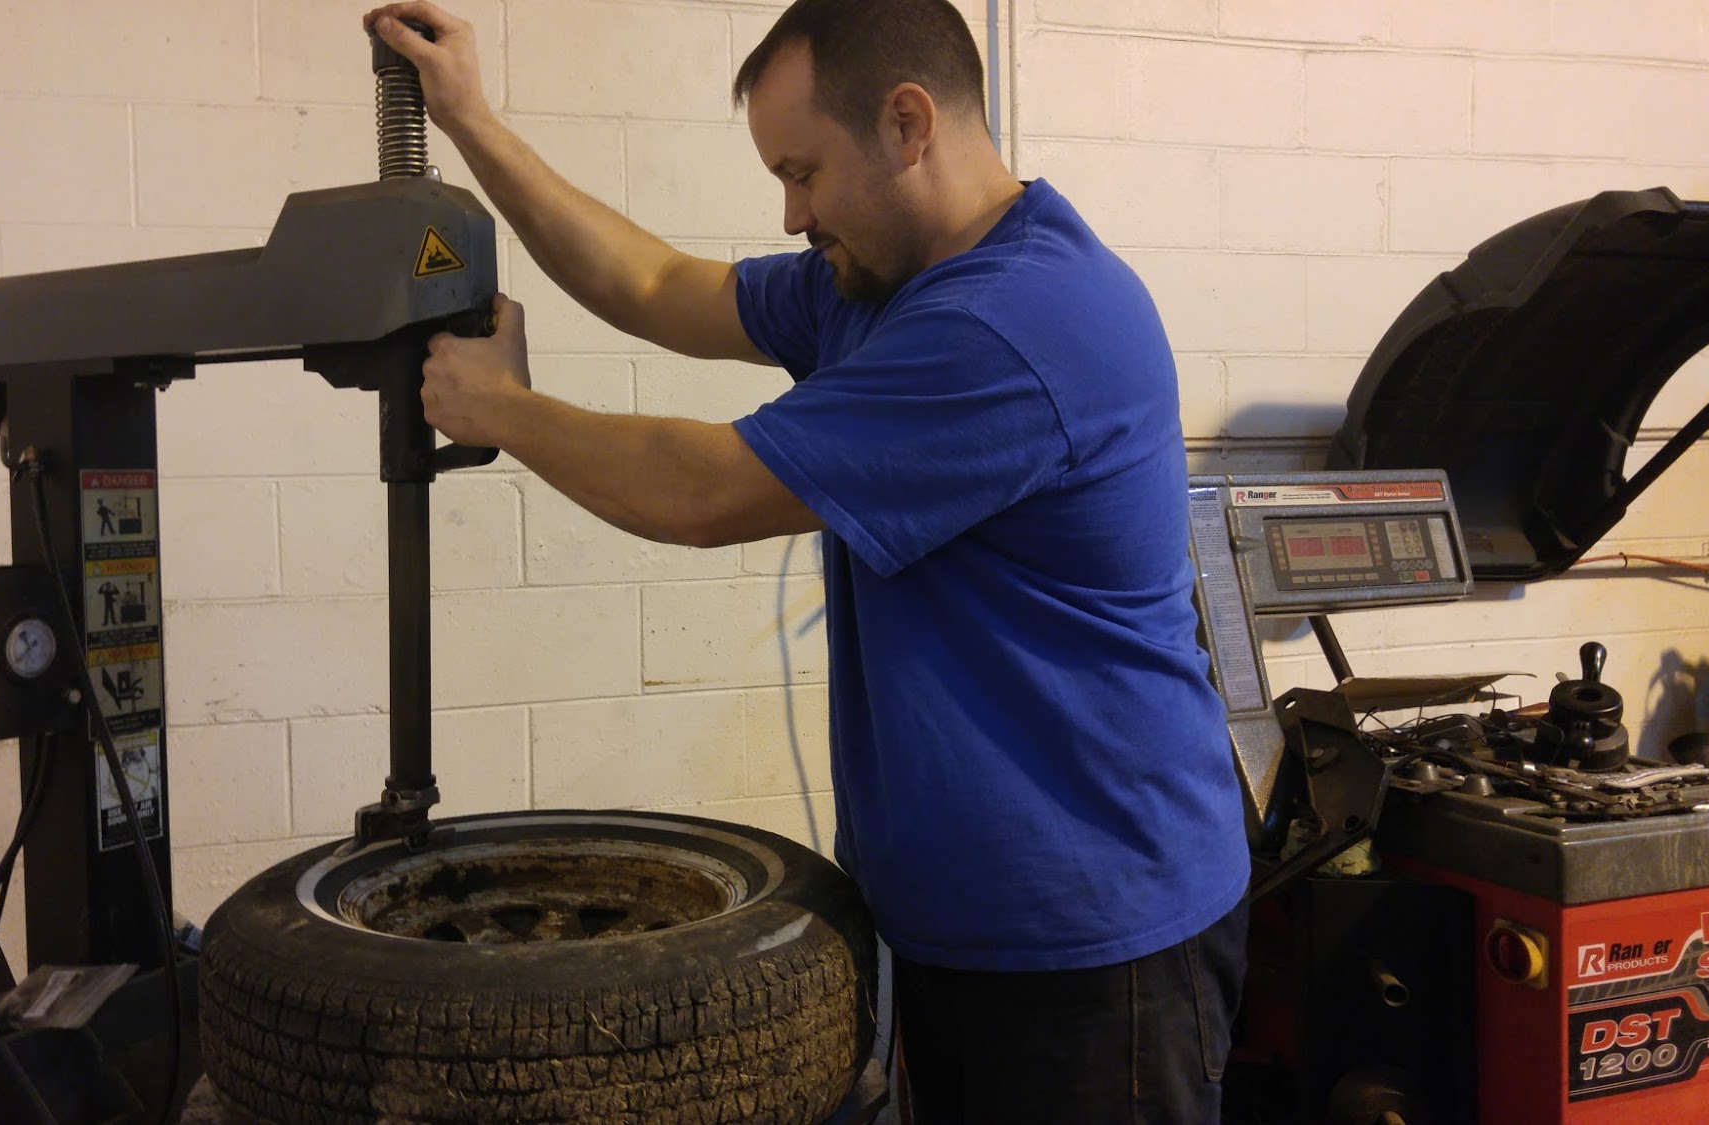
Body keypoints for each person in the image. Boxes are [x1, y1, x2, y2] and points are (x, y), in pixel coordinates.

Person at [364, 0, 1251, 1119]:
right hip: (971, 922)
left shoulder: (1014, 322)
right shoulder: (878, 281)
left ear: (907, 124)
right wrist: (472, 123)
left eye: (803, 172)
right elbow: (655, 286)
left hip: (1093, 947)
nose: (791, 214)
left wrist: (502, 408)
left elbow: (700, 492)